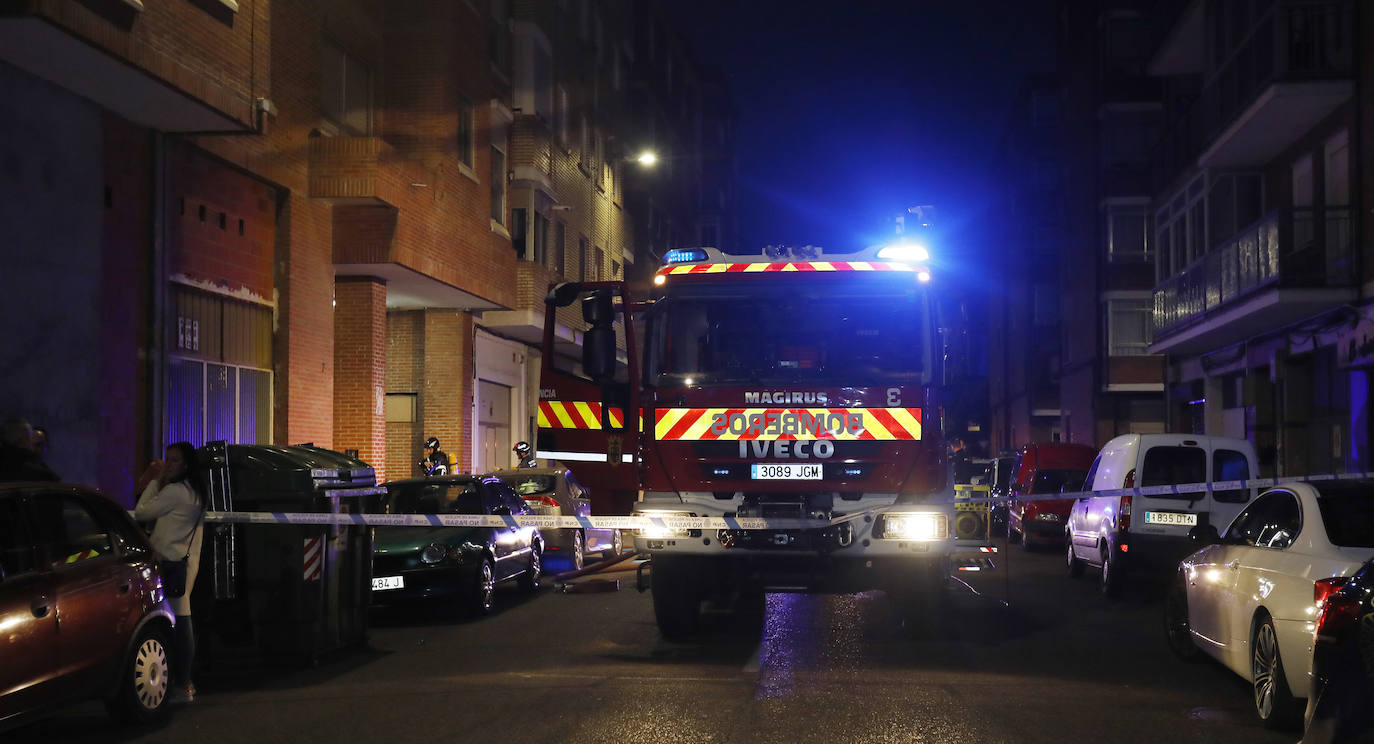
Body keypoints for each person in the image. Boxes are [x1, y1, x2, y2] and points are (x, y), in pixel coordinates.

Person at [134, 442, 206, 705]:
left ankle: (183, 682)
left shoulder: (175, 491)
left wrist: (155, 481)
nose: (168, 465)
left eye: (174, 461)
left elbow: (142, 512)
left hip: (171, 564)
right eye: (167, 459)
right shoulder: (195, 491)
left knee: (181, 622)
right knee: (182, 619)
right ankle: (183, 681)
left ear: (186, 465)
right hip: (186, 564)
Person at [0, 417, 59, 482]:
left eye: (41, 444)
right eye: (31, 437)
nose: (33, 442)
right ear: (22, 440)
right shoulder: (42, 476)